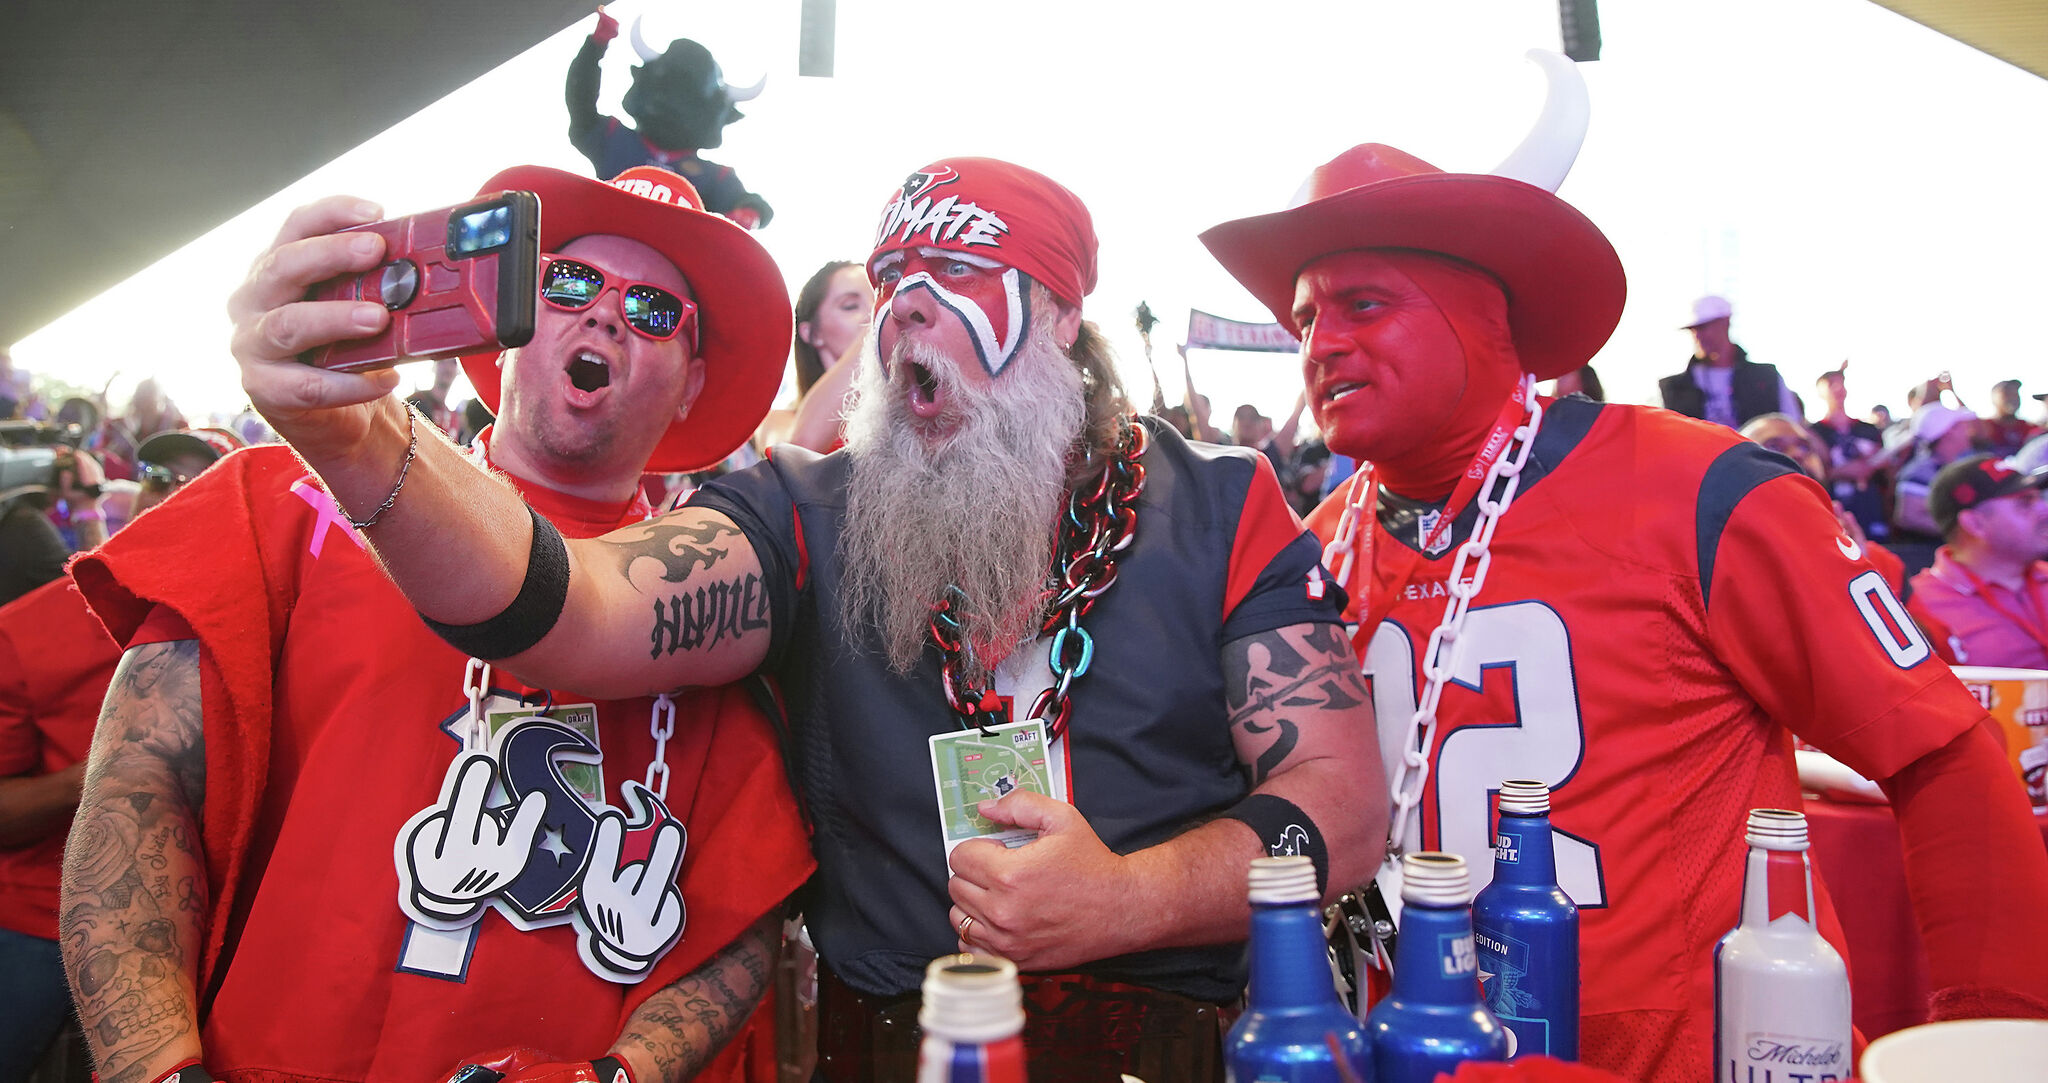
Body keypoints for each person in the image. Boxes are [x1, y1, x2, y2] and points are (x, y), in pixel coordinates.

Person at [230, 155, 1384, 1083]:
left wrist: (1129, 899)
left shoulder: (1221, 502)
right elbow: (569, 614)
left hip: (1169, 1046)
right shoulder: (803, 514)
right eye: (891, 287)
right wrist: (355, 434)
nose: (907, 321)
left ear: (1058, 321)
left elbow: (1338, 800)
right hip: (889, 1044)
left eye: (957, 279)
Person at [1197, 106, 2048, 1081]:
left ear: (1480, 318)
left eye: (1362, 305)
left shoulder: (1702, 490)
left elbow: (1937, 749)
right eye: (1305, 318)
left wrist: (1991, 1033)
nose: (1320, 345)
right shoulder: (1310, 549)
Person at [61, 166, 813, 1083]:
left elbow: (737, 919)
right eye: (569, 283)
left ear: (693, 380)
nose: (607, 316)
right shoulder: (291, 498)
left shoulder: (720, 614)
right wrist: (156, 1070)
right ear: (503, 324)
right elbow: (140, 787)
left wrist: (619, 1076)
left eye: (655, 309)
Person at [0, 428, 240, 1082]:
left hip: (202, 931)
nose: (176, 493)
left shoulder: (267, 625)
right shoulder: (27, 628)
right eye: (160, 473)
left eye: (206, 479)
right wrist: (122, 766)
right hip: (35, 920)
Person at [1905, 455, 2048, 669]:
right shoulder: (1919, 607)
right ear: (1974, 524)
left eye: (2040, 498)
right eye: (2025, 503)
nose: (2044, 509)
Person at [1738, 413, 1905, 593]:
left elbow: (1916, 622)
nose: (1796, 454)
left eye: (1805, 447)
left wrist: (1862, 580)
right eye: (1773, 447)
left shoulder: (1879, 563)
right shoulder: (1722, 566)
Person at [1656, 295, 1799, 428]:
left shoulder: (1767, 377)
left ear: (1725, 322)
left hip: (1753, 454)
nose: (1697, 335)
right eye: (1692, 330)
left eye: (1703, 327)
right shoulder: (1673, 387)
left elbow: (1792, 426)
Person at [777, 260, 875, 453]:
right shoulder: (779, 421)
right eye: (850, 306)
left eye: (878, 299)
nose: (872, 312)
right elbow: (796, 452)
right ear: (812, 333)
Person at [1810, 366, 1897, 542]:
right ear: (1819, 391)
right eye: (1831, 383)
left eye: (1841, 383)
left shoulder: (1868, 430)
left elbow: (1888, 470)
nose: (1837, 389)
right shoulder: (1814, 433)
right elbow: (1812, 471)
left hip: (1871, 506)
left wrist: (1874, 464)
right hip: (1834, 507)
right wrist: (1842, 471)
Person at [1892, 401, 1982, 544]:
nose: (1968, 431)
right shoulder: (1921, 471)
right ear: (1948, 431)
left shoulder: (1955, 465)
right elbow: (1909, 517)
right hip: (1926, 555)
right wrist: (1967, 532)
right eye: (1961, 426)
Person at [404, 356, 464, 436]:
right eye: (442, 361)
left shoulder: (454, 417)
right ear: (434, 366)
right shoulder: (414, 402)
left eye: (453, 362)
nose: (447, 367)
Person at [1985, 379, 2042, 456]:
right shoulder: (1983, 428)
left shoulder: (2030, 428)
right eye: (2007, 394)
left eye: (2015, 394)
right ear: (1993, 399)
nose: (2013, 399)